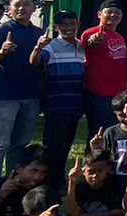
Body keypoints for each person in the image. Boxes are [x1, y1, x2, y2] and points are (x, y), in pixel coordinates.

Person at [0, 0, 45, 184]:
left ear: (34, 8)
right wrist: (1, 52)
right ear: (9, 8)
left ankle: (13, 182)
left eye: (26, 4)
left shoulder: (39, 34)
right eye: (17, 5)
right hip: (5, 97)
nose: (21, 8)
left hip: (30, 96)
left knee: (20, 144)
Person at [30, 9, 86, 175]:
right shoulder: (52, 46)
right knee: (53, 147)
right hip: (57, 105)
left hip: (75, 104)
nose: (68, 27)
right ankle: (48, 181)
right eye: (63, 24)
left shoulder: (82, 46)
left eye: (71, 23)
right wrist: (37, 48)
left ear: (78, 24)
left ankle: (59, 178)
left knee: (66, 145)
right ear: (56, 27)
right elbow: (35, 62)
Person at [80, 0, 127, 135]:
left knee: (113, 133)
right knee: (99, 133)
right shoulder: (91, 33)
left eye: (117, 13)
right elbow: (90, 43)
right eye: (109, 12)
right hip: (98, 92)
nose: (113, 15)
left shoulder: (119, 36)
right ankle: (93, 156)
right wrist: (93, 41)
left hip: (118, 93)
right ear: (99, 14)